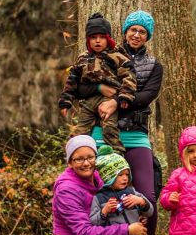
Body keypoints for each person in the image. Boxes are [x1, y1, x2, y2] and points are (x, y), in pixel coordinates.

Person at [79, 10, 164, 235]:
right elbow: (81, 86)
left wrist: (115, 100)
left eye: (142, 31)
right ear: (125, 31)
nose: (136, 35)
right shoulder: (105, 55)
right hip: (102, 131)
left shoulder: (155, 66)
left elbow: (148, 96)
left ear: (147, 36)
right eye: (133, 30)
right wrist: (98, 88)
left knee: (147, 193)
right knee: (95, 188)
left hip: (136, 134)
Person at [58, 12, 137, 154]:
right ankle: (74, 158)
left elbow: (129, 76)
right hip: (88, 102)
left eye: (102, 37)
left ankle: (118, 154)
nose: (98, 41)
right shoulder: (82, 58)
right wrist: (65, 101)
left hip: (108, 99)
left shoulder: (116, 56)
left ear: (108, 39)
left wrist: (125, 96)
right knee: (80, 132)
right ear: (88, 40)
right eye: (93, 38)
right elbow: (72, 80)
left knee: (109, 127)